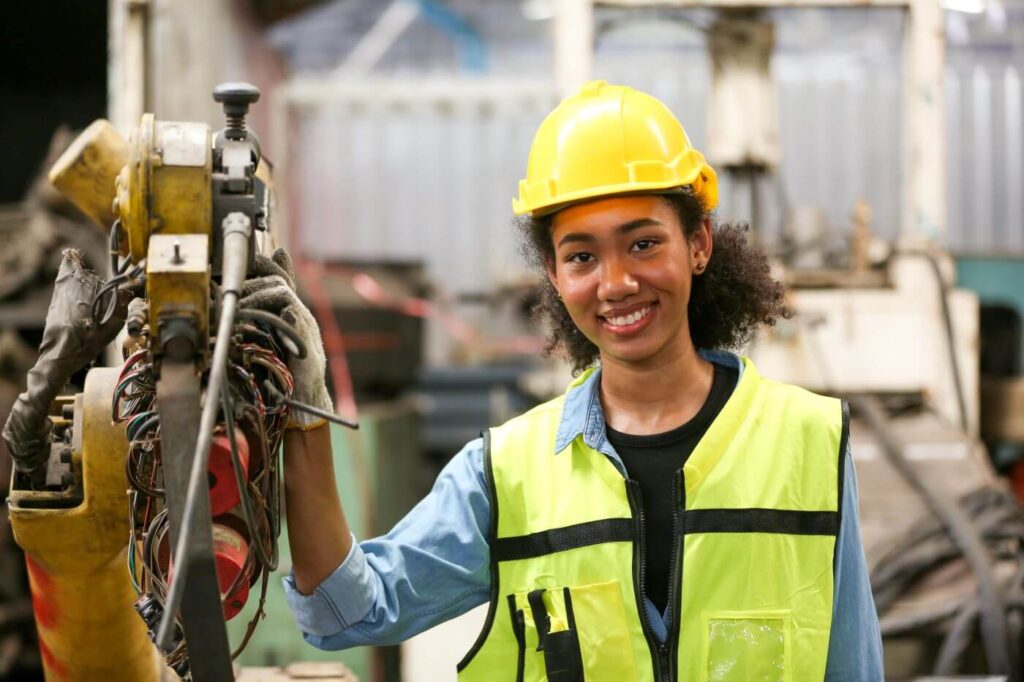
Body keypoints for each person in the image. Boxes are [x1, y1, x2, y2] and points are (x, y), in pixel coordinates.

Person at [250, 81, 884, 680]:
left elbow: (854, 666)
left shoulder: (812, 444)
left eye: (643, 244)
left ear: (698, 244)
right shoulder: (506, 475)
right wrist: (307, 409)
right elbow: (346, 609)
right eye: (582, 256)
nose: (615, 283)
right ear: (554, 274)